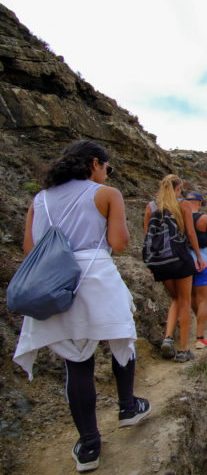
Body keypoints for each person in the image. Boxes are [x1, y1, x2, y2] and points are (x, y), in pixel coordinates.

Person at [13, 140, 150, 473]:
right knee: (121, 340)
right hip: (95, 277)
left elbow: (30, 247)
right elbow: (118, 244)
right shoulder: (106, 194)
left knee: (76, 363)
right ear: (94, 163)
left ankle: (89, 445)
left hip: (54, 280)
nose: (107, 173)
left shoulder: (40, 199)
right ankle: (128, 407)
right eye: (107, 167)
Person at [143, 175, 203, 363]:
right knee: (184, 301)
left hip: (160, 262)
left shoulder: (150, 207)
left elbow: (147, 239)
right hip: (180, 258)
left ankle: (168, 338)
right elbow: (191, 233)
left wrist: (150, 264)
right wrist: (199, 258)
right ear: (178, 188)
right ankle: (183, 350)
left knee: (175, 299)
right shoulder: (183, 205)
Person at [184, 191, 207, 349]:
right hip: (204, 262)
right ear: (199, 203)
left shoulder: (179, 218)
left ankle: (192, 329)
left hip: (184, 263)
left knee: (190, 298)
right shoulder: (204, 219)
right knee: (202, 300)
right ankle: (199, 338)